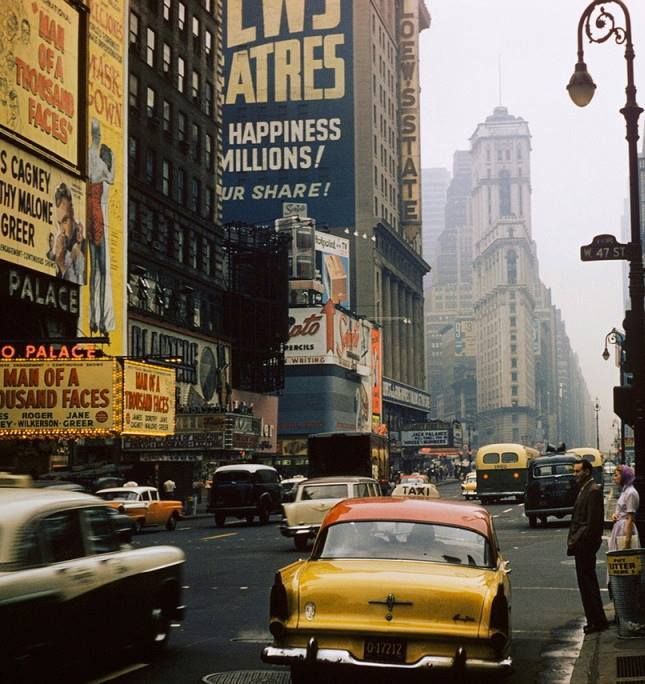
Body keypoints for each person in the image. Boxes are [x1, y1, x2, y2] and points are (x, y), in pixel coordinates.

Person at [567, 458, 609, 634]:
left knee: (588, 584)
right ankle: (594, 619)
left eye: (578, 471)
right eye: (574, 471)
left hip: (585, 545)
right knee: (585, 584)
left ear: (587, 472)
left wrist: (580, 540)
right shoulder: (585, 489)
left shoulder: (592, 491)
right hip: (582, 544)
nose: (575, 475)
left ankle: (597, 621)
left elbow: (592, 523)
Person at [87, 118, 115, 334]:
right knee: (102, 270)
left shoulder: (89, 158)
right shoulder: (102, 167)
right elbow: (113, 178)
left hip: (88, 214)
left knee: (95, 270)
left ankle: (93, 319)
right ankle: (100, 321)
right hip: (96, 216)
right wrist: (111, 160)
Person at [609, 464, 640, 552]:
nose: (614, 478)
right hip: (620, 527)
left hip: (625, 529)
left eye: (616, 475)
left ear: (624, 476)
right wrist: (616, 514)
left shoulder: (631, 493)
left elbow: (630, 518)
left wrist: (627, 541)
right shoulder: (625, 491)